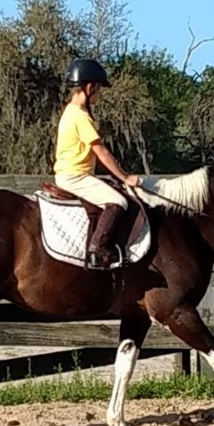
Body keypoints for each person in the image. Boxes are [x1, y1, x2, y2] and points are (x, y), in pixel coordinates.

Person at [53, 58, 141, 269]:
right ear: (90, 86)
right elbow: (99, 150)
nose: (100, 93)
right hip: (75, 176)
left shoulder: (70, 111)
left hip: (73, 174)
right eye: (99, 88)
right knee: (118, 202)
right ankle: (97, 251)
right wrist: (124, 177)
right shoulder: (80, 116)